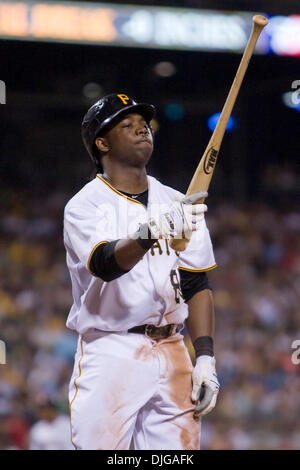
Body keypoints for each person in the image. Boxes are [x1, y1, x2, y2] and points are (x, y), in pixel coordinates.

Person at [63, 93, 220, 450]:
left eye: (143, 124)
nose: (141, 129)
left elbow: (196, 282)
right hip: (111, 347)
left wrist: (206, 357)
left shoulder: (179, 201)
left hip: (172, 346)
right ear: (102, 142)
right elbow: (105, 263)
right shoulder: (85, 205)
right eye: (126, 125)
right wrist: (156, 228)